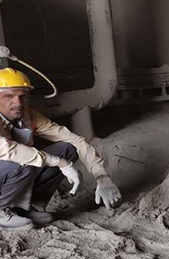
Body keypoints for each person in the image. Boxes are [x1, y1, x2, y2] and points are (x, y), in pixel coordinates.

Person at [0, 68, 121, 230]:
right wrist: (59, 162)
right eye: (9, 96)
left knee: (67, 149)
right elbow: (8, 149)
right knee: (23, 161)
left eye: (23, 97)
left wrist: (101, 175)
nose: (18, 103)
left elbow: (75, 141)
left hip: (11, 176)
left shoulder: (28, 116)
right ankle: (2, 210)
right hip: (8, 168)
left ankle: (23, 208)